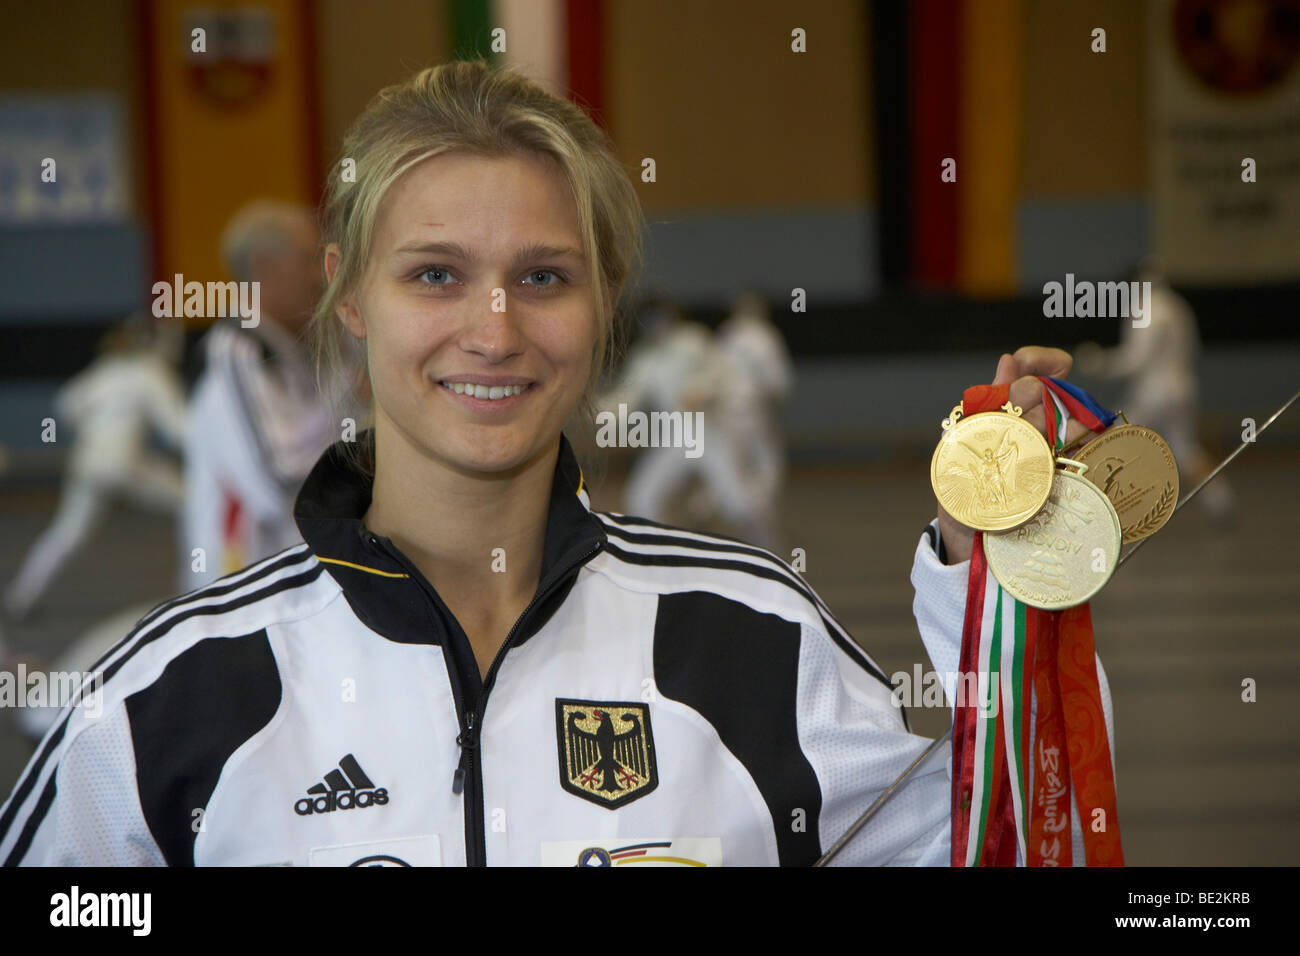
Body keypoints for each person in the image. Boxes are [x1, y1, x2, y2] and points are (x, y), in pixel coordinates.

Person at [0, 61, 1108, 867]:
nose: (493, 330)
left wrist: (1001, 573)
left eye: (543, 277)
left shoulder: (756, 643)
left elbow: (1003, 842)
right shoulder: (169, 694)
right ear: (349, 296)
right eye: (434, 274)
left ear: (601, 303)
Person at [179, 201, 340, 590]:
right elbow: (276, 483)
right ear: (265, 267)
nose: (320, 277)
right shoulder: (236, 352)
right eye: (307, 260)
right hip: (241, 587)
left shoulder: (281, 350)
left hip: (282, 580)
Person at [3, 315, 187, 621]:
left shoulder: (105, 370)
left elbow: (66, 402)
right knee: (196, 504)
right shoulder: (150, 372)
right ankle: (197, 585)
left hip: (87, 463)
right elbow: (179, 428)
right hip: (124, 465)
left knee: (67, 531)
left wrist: (91, 430)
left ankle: (20, 597)